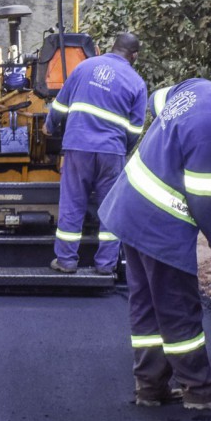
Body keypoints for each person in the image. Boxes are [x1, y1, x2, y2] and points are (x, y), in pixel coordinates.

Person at [98, 69, 211, 411]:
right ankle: (201, 391)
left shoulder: (195, 88)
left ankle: (150, 387)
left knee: (146, 305)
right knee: (179, 308)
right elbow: (201, 199)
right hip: (159, 226)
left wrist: (169, 144)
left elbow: (157, 100)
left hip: (129, 209)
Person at [44, 33, 146, 275]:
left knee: (72, 203)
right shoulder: (136, 82)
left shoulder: (84, 67)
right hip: (112, 152)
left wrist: (49, 126)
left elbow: (60, 105)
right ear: (135, 56)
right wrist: (122, 150)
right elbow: (135, 129)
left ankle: (67, 261)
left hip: (78, 147)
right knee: (110, 209)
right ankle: (105, 265)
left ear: (111, 47)